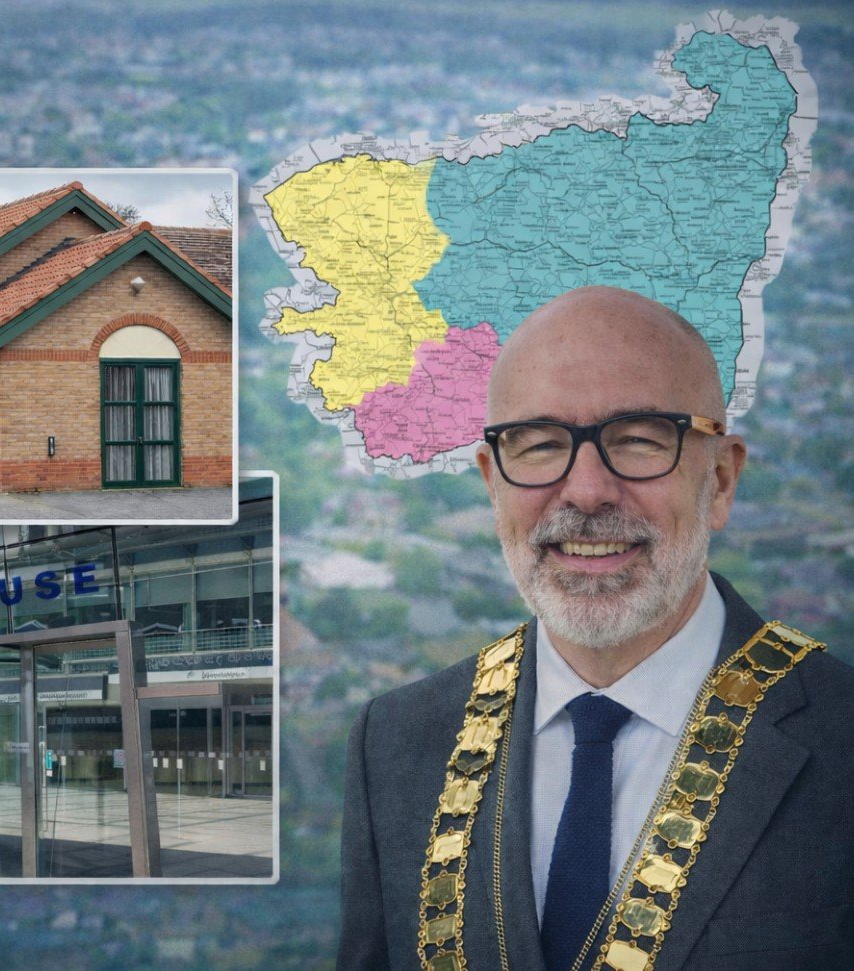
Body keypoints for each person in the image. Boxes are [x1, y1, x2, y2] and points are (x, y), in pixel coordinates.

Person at [339, 287, 854, 970]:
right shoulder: (395, 743)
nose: (585, 491)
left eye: (638, 439)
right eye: (539, 444)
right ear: (493, 484)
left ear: (721, 479)